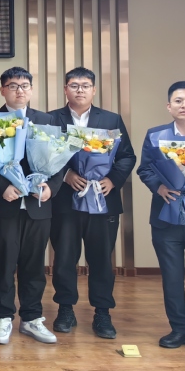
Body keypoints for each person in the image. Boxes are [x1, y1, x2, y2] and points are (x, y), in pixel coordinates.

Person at [49, 66, 136, 339]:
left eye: (85, 85)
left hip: (103, 200)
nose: (80, 90)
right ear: (65, 89)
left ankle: (102, 313)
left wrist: (113, 180)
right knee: (64, 258)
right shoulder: (52, 119)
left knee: (101, 259)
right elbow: (42, 156)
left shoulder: (110, 119)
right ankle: (65, 309)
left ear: (94, 90)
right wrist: (65, 175)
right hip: (65, 202)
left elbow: (127, 156)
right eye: (74, 85)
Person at [0, 67, 62, 346]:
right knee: (4, 263)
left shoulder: (47, 120)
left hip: (38, 205)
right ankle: (3, 317)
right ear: (2, 90)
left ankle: (32, 318)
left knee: (34, 265)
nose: (19, 90)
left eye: (24, 85)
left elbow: (61, 160)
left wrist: (52, 188)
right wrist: (2, 187)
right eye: (13, 85)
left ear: (31, 89)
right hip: (5, 205)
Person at [136, 81, 185, 356]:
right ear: (169, 106)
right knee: (171, 277)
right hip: (167, 217)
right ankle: (180, 329)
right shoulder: (155, 135)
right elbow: (145, 169)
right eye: (179, 101)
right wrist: (158, 186)